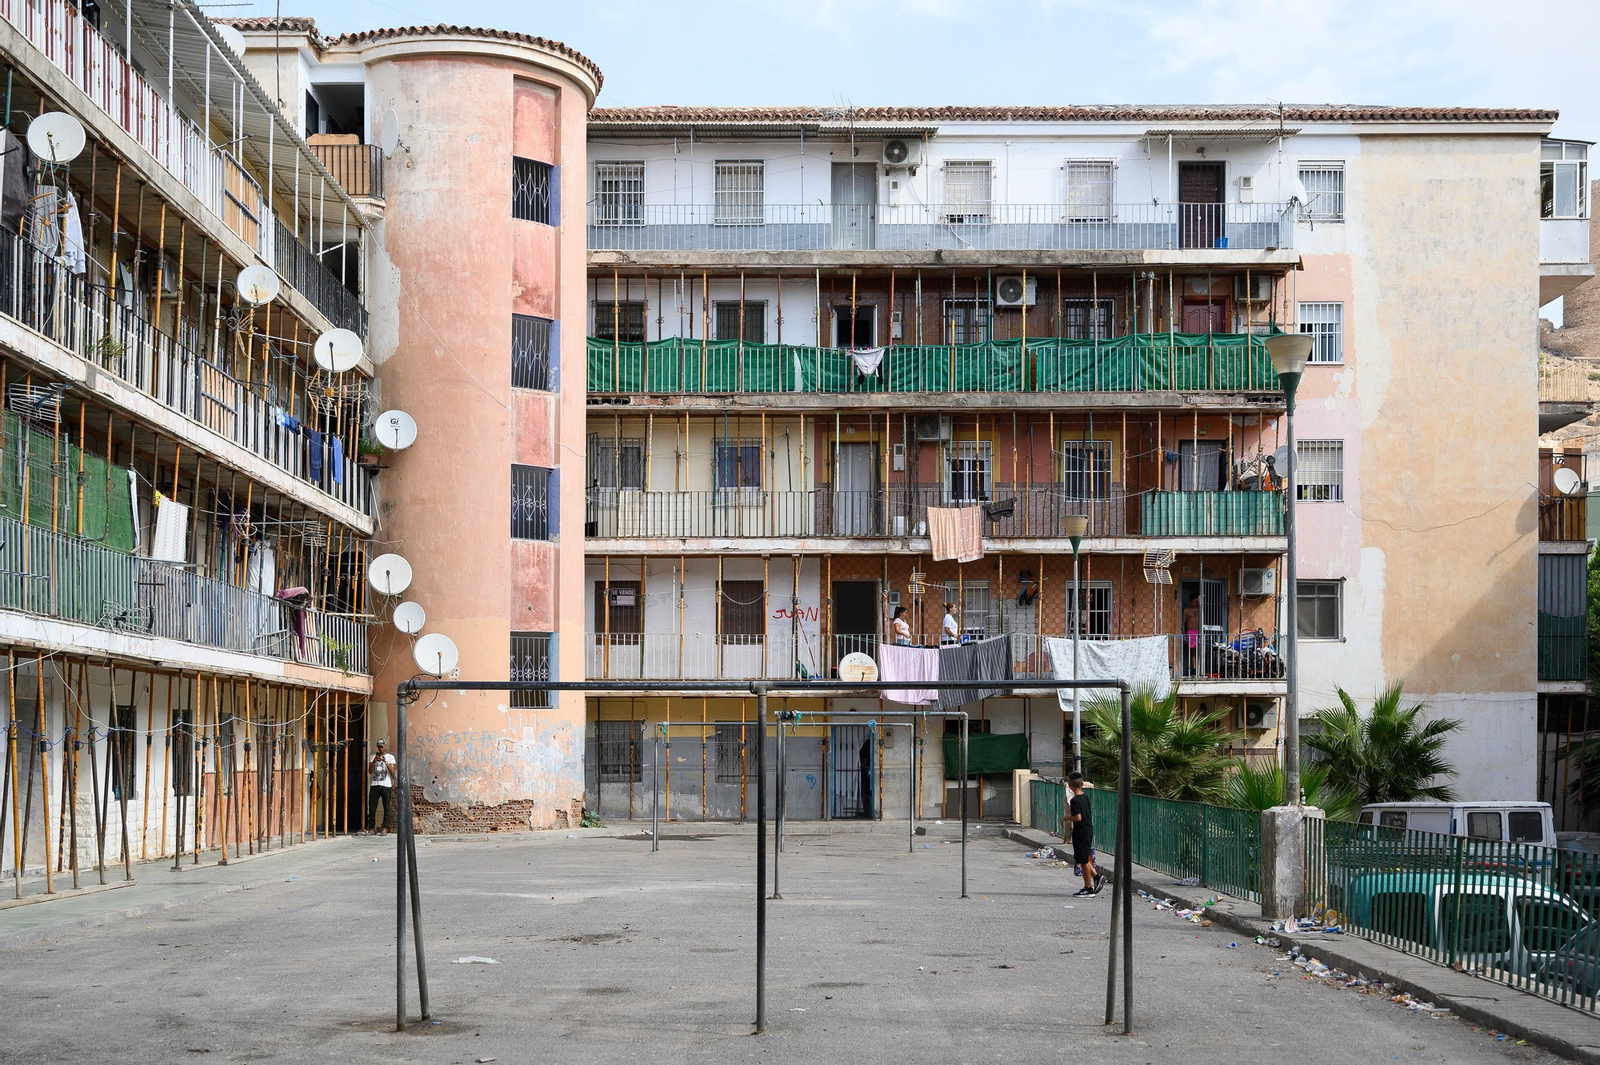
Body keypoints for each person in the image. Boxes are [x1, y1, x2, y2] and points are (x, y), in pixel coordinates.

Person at [1063, 772, 1105, 897]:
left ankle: (1088, 888)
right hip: (1088, 830)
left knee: (1083, 860)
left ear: (1069, 785)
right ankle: (1096, 877)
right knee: (1082, 857)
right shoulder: (1085, 797)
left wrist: (1066, 818)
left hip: (1081, 831)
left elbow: (1078, 817)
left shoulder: (1075, 800)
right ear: (1082, 784)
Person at [366, 738, 396, 835]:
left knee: (386, 807)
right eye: (379, 747)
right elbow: (370, 771)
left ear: (385, 746)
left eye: (382, 747)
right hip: (375, 784)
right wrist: (374, 761)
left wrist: (386, 762)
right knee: (372, 807)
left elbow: (392, 772)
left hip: (386, 785)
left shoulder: (390, 757)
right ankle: (372, 827)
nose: (380, 749)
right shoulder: (372, 757)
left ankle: (385, 827)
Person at [1182, 594, 1202, 677]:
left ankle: (1200, 670)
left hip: (1199, 632)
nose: (1194, 604)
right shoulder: (1186, 610)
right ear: (1190, 602)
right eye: (1192, 602)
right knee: (1193, 652)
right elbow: (1183, 623)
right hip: (1190, 632)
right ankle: (1193, 671)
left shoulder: (1200, 610)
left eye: (1195, 602)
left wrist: (1204, 633)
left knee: (1199, 652)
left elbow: (1203, 622)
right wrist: (1184, 635)